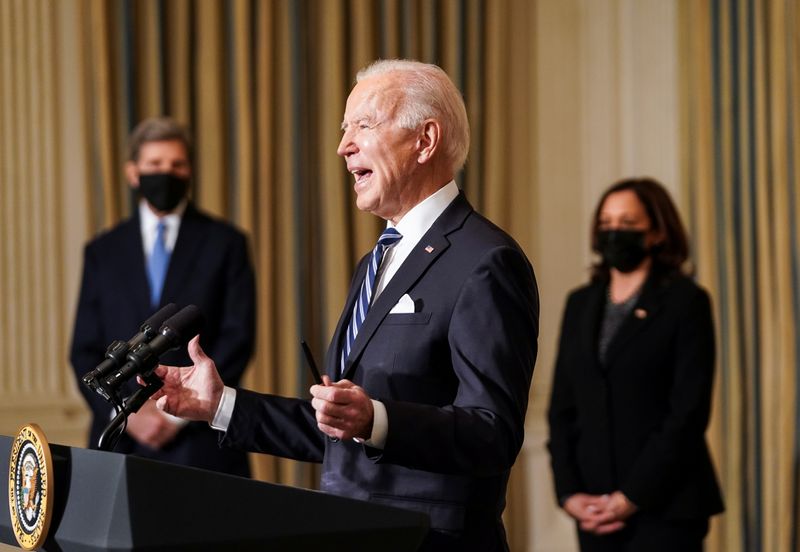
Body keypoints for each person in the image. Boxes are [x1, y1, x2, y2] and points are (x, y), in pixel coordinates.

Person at [149, 60, 539, 551]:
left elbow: (493, 432)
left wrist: (376, 418)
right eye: (343, 128)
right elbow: (340, 430)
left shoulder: (486, 261)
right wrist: (219, 405)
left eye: (364, 125)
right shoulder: (375, 261)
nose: (343, 145)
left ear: (426, 140)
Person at [70, 117, 255, 477]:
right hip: (120, 442)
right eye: (155, 165)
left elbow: (238, 338)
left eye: (177, 165)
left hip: (201, 442)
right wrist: (124, 410)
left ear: (189, 172)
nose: (165, 173)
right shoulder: (102, 251)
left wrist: (181, 412)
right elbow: (84, 347)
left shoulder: (226, 243)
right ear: (133, 172)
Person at [547, 178, 724, 551]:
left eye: (627, 224)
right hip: (593, 509)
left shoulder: (685, 302)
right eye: (606, 224)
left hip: (666, 508)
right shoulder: (580, 303)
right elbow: (562, 408)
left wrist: (631, 497)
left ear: (657, 232)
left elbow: (688, 413)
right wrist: (569, 493)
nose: (614, 233)